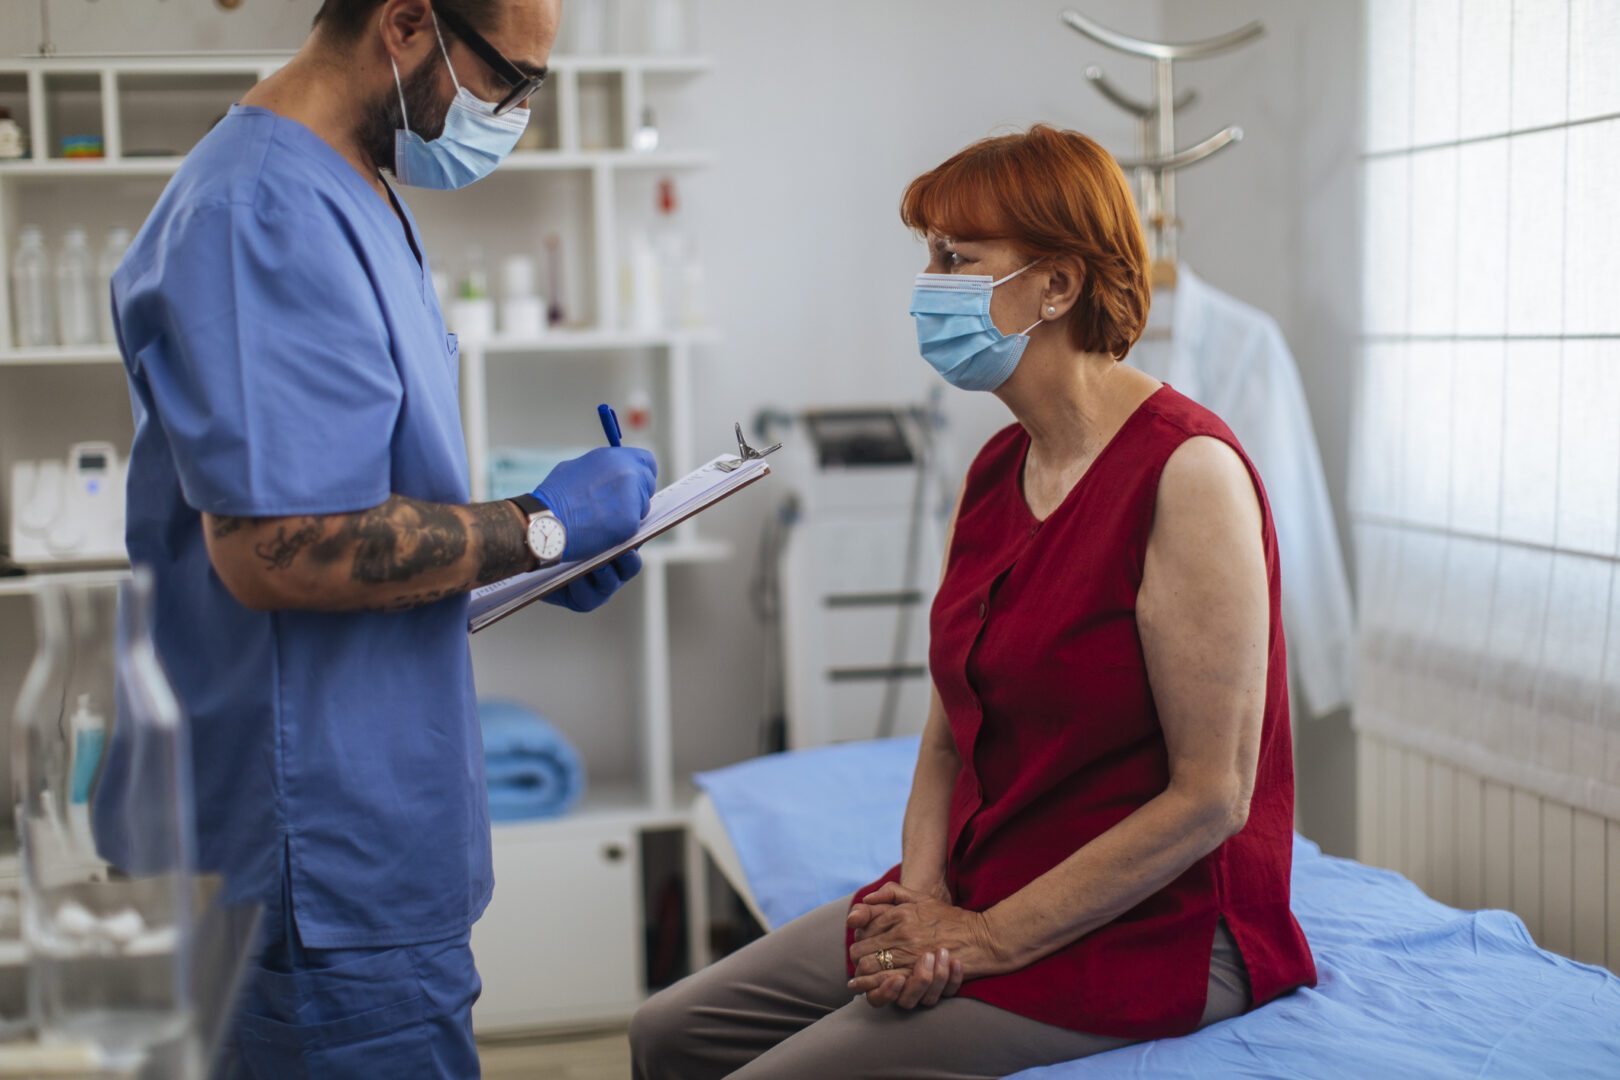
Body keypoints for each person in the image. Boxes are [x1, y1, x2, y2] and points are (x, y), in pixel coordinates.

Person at [629, 124, 1317, 1079]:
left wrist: (981, 941)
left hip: (1159, 925)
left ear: (1057, 285)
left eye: (958, 257)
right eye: (928, 256)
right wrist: (921, 901)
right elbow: (951, 728)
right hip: (993, 882)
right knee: (669, 1035)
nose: (929, 285)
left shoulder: (1186, 474)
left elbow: (1212, 799)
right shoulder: (998, 467)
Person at [108, 1, 654, 1075]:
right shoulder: (260, 210)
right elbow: (280, 548)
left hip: (366, 841)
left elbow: (363, 506)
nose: (517, 112)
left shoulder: (350, 189)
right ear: (407, 24)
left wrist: (536, 560)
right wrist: (537, 524)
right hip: (309, 866)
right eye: (510, 78)